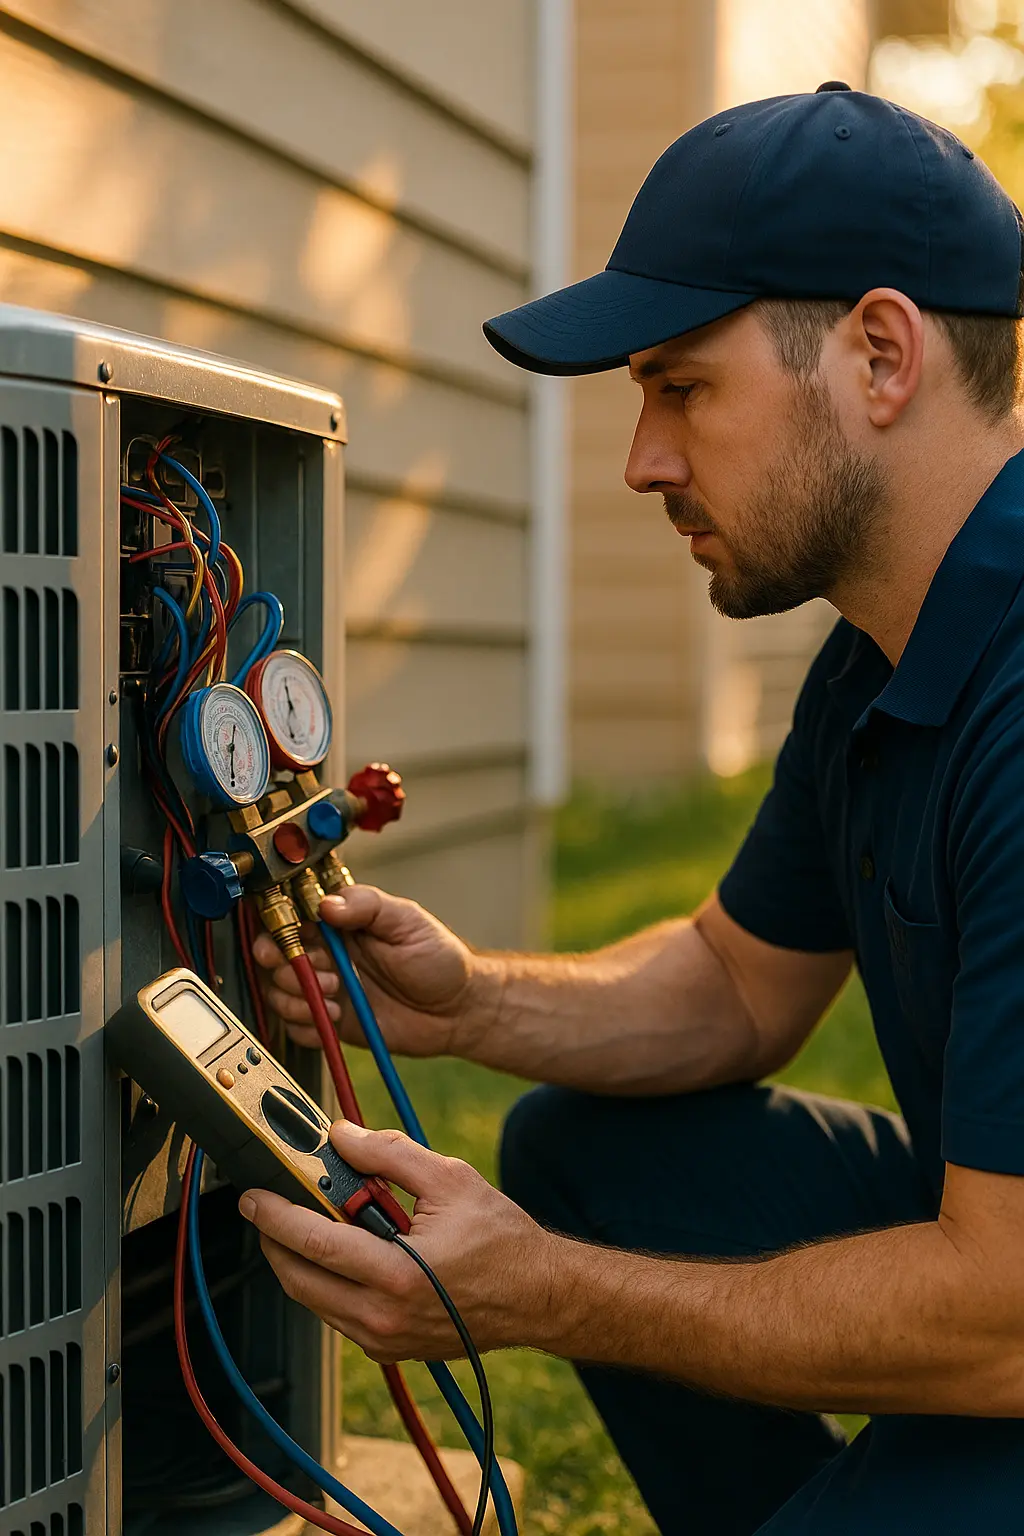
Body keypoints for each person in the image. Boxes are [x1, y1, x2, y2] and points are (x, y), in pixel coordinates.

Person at [239, 84, 1024, 1534]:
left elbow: (1006, 1319)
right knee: (585, 1150)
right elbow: (738, 984)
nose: (642, 459)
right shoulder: (879, 661)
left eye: (683, 386)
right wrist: (469, 1002)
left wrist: (542, 1294)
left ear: (880, 353)